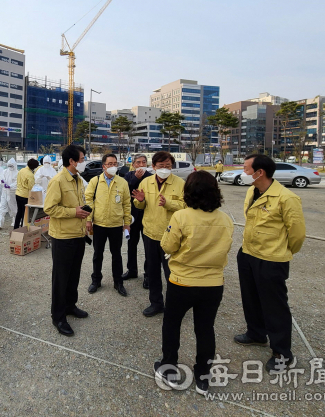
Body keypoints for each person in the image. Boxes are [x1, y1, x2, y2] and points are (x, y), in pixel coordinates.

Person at [155, 171, 233, 395]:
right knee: (205, 328)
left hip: (183, 282)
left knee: (172, 324)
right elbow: (225, 249)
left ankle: (169, 367)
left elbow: (168, 247)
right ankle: (203, 377)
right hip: (212, 284)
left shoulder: (181, 216)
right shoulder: (225, 219)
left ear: (187, 192)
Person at [234, 154, 306, 372]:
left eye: (246, 168)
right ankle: (256, 333)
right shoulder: (252, 191)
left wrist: (281, 251)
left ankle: (282, 352)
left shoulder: (286, 198)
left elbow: (297, 235)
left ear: (260, 172)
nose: (243, 172)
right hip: (248, 253)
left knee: (275, 306)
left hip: (271, 259)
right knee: (251, 297)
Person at [131, 151, 186, 317]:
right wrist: (139, 201)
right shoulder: (146, 182)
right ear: (153, 167)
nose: (164, 169)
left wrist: (168, 203)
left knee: (172, 272)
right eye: (161, 166)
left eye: (168, 166)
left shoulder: (180, 183)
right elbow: (139, 206)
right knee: (153, 271)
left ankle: (175, 305)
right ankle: (156, 303)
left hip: (171, 235)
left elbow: (186, 206)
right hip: (150, 233)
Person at [44, 145, 90, 336]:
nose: (83, 162)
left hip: (78, 235)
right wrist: (74, 212)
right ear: (71, 161)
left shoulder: (78, 179)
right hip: (63, 238)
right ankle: (58, 316)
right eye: (81, 158)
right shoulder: (58, 180)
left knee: (74, 275)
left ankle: (71, 305)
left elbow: (79, 205)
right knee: (61, 278)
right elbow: (49, 208)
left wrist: (86, 219)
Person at [85, 154, 131, 297]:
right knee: (97, 254)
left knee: (116, 255)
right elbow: (89, 201)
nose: (113, 166)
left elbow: (126, 204)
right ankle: (96, 280)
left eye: (115, 163)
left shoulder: (122, 182)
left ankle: (118, 282)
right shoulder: (95, 181)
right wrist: (88, 219)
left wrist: (127, 223)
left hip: (116, 224)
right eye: (110, 163)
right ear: (103, 166)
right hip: (99, 224)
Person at [121, 154, 153, 288]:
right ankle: (132, 270)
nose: (141, 165)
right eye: (138, 162)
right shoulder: (128, 176)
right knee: (131, 244)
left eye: (144, 162)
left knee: (148, 246)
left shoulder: (151, 177)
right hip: (133, 215)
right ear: (133, 164)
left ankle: (148, 274)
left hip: (148, 214)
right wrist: (136, 178)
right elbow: (126, 191)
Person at [14, 158, 39, 229]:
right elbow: (31, 187)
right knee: (24, 215)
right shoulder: (30, 175)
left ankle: (16, 228)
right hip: (25, 196)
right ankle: (23, 229)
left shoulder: (21, 170)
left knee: (19, 212)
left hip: (18, 194)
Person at [0, 158, 19, 228]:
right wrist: (2, 183)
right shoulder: (4, 171)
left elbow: (17, 183)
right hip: (5, 192)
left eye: (12, 166)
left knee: (13, 208)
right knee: (2, 206)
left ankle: (15, 222)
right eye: (9, 166)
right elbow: (1, 178)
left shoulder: (17, 173)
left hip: (12, 193)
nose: (10, 168)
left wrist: (10, 186)